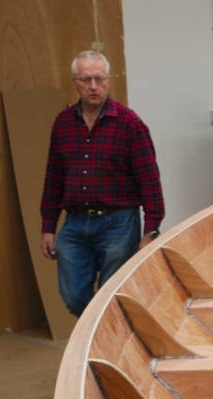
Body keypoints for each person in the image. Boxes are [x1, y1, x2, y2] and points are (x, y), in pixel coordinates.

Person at [39, 50, 164, 318]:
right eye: (85, 80)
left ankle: (105, 345)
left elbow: (150, 182)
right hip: (74, 224)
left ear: (109, 80)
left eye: (99, 79)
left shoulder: (130, 124)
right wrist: (48, 226)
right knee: (73, 297)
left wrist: (150, 231)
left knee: (112, 296)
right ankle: (103, 331)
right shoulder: (63, 123)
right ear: (75, 82)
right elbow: (53, 179)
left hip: (117, 225)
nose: (93, 86)